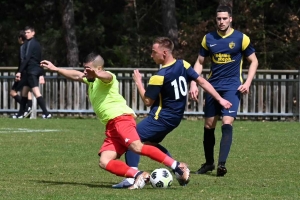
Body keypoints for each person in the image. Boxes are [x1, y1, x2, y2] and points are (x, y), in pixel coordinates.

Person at [40, 52, 190, 189]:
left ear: (98, 68)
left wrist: (98, 74)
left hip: (121, 119)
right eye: (85, 69)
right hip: (111, 127)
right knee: (104, 161)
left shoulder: (107, 78)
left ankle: (177, 166)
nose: (85, 72)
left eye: (88, 69)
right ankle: (139, 175)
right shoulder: (91, 81)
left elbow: (107, 76)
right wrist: (56, 69)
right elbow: (76, 75)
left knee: (137, 147)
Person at [113, 37, 232, 188]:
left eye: (153, 52)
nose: (151, 55)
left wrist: (138, 83)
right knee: (151, 143)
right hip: (175, 118)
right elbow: (202, 81)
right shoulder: (183, 64)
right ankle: (179, 169)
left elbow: (148, 102)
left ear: (164, 53)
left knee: (132, 140)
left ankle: (133, 178)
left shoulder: (159, 76)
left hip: (160, 118)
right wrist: (220, 99)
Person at [189, 5, 259, 176]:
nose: (221, 21)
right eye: (219, 18)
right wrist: (193, 83)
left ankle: (221, 164)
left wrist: (248, 82)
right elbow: (199, 62)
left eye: (224, 18)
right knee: (208, 125)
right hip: (213, 87)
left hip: (232, 88)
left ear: (230, 19)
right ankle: (209, 163)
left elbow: (254, 61)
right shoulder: (208, 38)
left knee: (227, 122)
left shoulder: (241, 38)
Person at [14, 26, 50, 119]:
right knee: (24, 93)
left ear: (33, 33)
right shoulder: (37, 44)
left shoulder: (31, 43)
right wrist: (41, 73)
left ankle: (46, 113)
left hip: (31, 71)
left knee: (36, 92)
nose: (26, 34)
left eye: (28, 32)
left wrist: (19, 72)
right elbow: (39, 59)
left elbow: (27, 58)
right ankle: (21, 114)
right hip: (33, 70)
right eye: (25, 33)